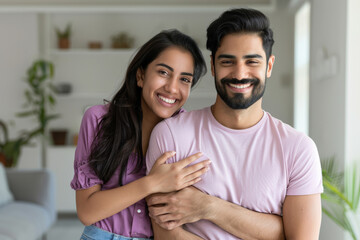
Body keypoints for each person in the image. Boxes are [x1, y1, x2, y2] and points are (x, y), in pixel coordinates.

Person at [146, 8, 323, 240]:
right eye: (228, 61)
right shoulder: (171, 135)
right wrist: (276, 229)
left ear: (269, 66)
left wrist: (207, 206)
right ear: (213, 65)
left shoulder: (298, 149)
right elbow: (167, 235)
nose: (240, 74)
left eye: (252, 61)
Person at [70, 29, 210, 240]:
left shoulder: (190, 132)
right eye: (163, 72)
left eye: (185, 79)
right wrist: (152, 183)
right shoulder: (99, 120)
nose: (172, 88)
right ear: (141, 75)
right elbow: (87, 212)